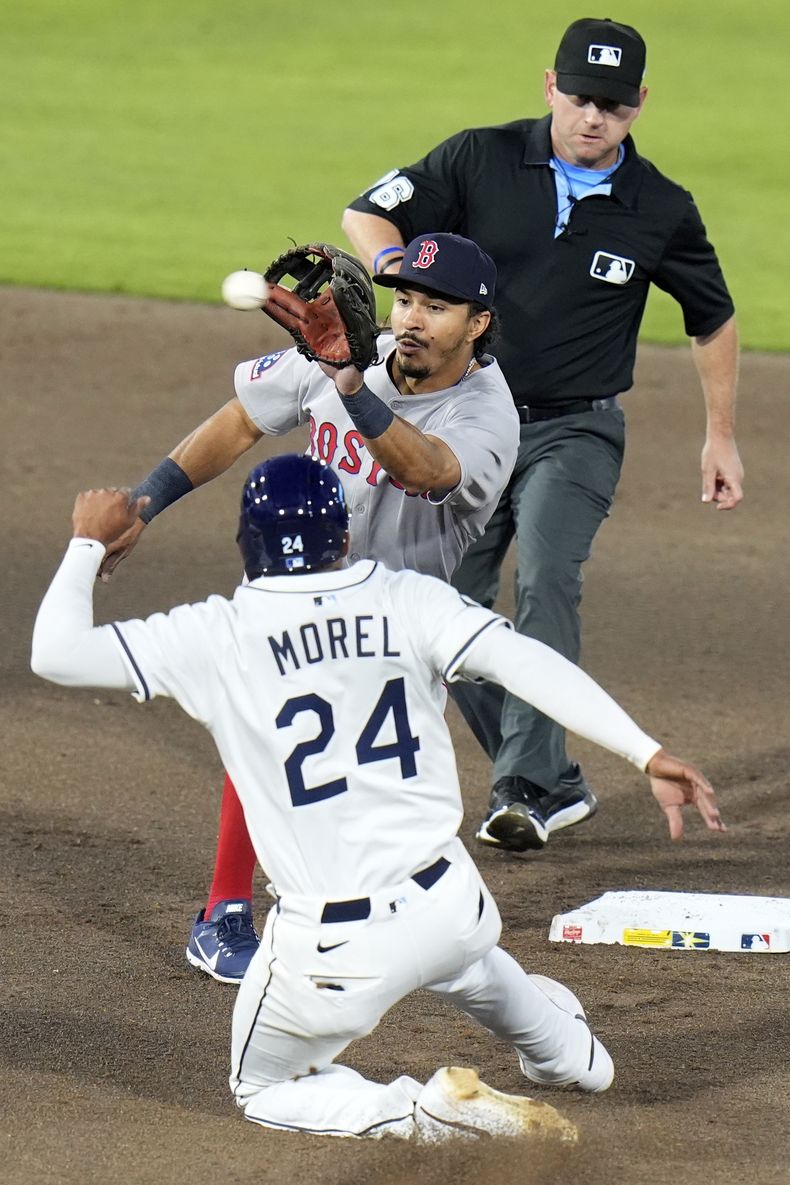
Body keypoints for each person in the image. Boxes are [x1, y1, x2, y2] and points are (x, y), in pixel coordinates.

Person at [31, 456, 725, 1141]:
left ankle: (420, 1114)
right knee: (472, 963)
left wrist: (88, 540)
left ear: (246, 545)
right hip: (453, 900)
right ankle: (572, 1057)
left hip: (333, 951)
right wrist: (647, 752)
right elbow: (528, 662)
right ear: (344, 536)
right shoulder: (408, 599)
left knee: (262, 1083)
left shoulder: (213, 636)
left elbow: (56, 652)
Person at [341, 16, 743, 858]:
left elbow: (712, 318)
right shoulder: (479, 157)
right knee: (443, 609)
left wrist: (721, 436)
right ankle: (558, 779)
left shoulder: (660, 207)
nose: (594, 117)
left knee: (548, 577)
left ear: (639, 105)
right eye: (581, 97)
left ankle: (524, 786)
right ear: (549, 86)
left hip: (577, 429)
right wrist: (403, 278)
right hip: (465, 424)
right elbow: (367, 214)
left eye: (615, 104)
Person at [98, 234, 520, 983]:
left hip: (400, 628)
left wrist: (351, 386)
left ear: (478, 323)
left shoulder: (487, 412)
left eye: (437, 306)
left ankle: (363, 912)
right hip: (299, 592)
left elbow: (425, 469)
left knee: (374, 787)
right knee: (273, 723)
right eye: (407, 300)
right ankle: (223, 912)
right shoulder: (345, 353)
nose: (414, 319)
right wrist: (146, 501)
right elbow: (238, 422)